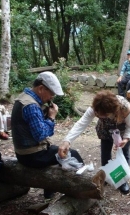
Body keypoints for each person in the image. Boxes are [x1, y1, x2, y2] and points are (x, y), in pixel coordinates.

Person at [11, 71, 84, 199]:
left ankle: (49, 194)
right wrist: (51, 117)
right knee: (73, 154)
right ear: (41, 88)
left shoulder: (23, 97)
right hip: (32, 155)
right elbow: (41, 135)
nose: (52, 97)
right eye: (51, 93)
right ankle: (82, 189)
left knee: (56, 152)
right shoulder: (31, 106)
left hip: (23, 153)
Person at [58, 90, 130, 195]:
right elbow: (81, 123)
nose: (100, 116)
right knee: (105, 155)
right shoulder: (96, 108)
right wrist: (67, 141)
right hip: (105, 129)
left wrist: (126, 139)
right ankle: (105, 177)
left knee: (123, 154)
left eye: (104, 115)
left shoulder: (125, 108)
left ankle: (122, 181)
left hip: (123, 130)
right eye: (99, 115)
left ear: (112, 111)